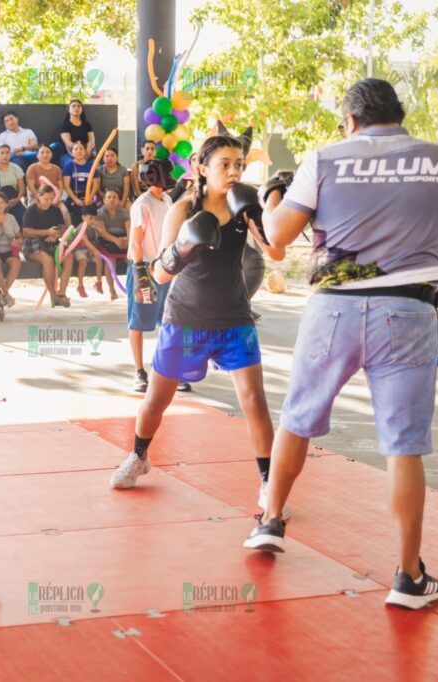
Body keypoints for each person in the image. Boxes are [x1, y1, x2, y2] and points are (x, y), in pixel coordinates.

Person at [244, 79, 438, 610]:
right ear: (398, 113)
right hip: (409, 311)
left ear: (349, 120)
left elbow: (277, 236)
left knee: (298, 418)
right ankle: (408, 577)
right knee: (404, 443)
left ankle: (270, 521)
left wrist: (272, 198)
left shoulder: (325, 159)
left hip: (333, 310)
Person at [111, 136, 286, 518]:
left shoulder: (243, 207)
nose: (234, 171)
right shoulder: (183, 209)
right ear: (201, 168)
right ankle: (139, 456)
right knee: (157, 400)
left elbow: (276, 252)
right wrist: (182, 248)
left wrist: (264, 213)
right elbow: (157, 273)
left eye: (239, 163)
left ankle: (268, 480)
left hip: (233, 318)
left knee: (255, 401)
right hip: (185, 318)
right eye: (224, 163)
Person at [126, 159, 174, 393]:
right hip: (144, 268)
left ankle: (165, 370)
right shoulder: (141, 205)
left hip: (163, 267)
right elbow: (135, 242)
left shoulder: (167, 200)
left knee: (166, 319)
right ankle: (139, 371)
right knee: (138, 320)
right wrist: (140, 273)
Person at [22, 184, 71, 308]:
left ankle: (61, 292)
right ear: (38, 197)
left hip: (52, 242)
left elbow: (63, 227)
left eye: (51, 199)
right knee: (47, 260)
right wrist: (46, 232)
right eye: (46, 199)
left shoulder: (55, 209)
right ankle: (53, 295)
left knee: (69, 256)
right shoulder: (31, 211)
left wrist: (56, 234)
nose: (49, 202)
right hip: (33, 244)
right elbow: (26, 231)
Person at [94, 188, 130, 300]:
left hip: (123, 240)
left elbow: (130, 230)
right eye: (109, 197)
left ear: (119, 200)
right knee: (110, 261)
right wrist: (116, 240)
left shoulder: (124, 212)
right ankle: (112, 289)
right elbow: (102, 232)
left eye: (114, 197)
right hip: (107, 241)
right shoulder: (99, 213)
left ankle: (134, 287)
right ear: (104, 200)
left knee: (131, 260)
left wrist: (127, 240)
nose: (112, 200)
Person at [61, 141, 94, 218]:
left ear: (85, 151)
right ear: (72, 153)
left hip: (88, 196)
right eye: (76, 149)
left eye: (81, 148)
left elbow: (96, 185)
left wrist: (89, 198)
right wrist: (76, 200)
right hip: (73, 196)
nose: (79, 151)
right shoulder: (68, 166)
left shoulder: (92, 166)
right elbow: (66, 186)